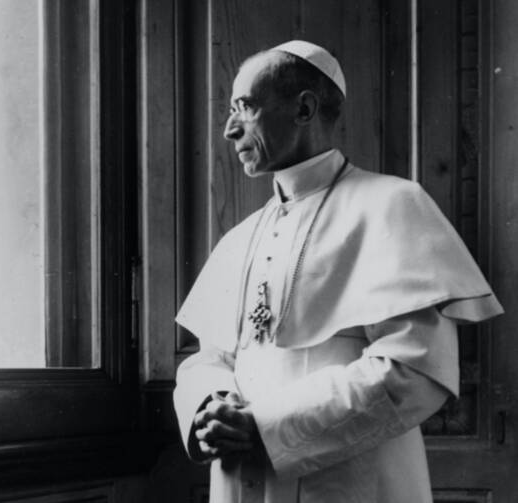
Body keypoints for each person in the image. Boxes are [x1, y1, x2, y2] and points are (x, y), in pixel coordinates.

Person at [173, 40, 503, 502]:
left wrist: (266, 426)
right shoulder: (240, 237)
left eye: (245, 108)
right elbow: (206, 358)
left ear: (304, 108)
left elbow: (415, 370)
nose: (229, 129)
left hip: (349, 481)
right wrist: (210, 407)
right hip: (240, 478)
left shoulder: (392, 204)